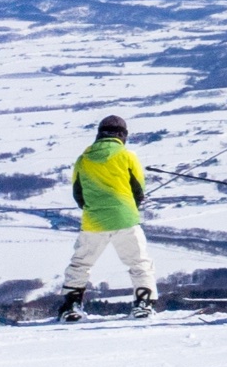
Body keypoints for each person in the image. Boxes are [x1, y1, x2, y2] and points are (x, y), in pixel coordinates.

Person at [60, 115, 157, 321]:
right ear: (123, 135)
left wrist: (94, 208)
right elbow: (138, 189)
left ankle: (72, 306)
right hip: (125, 218)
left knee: (81, 264)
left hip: (93, 220)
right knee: (139, 262)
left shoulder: (83, 159)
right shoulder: (127, 156)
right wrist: (129, 208)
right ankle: (143, 304)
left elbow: (78, 193)